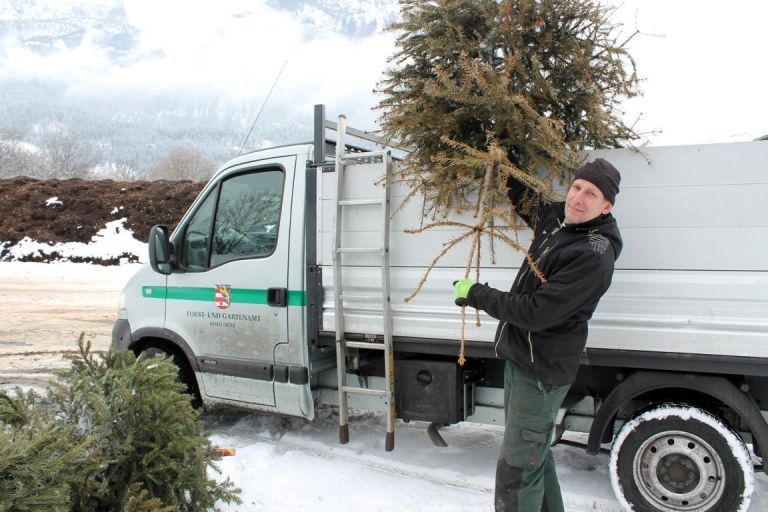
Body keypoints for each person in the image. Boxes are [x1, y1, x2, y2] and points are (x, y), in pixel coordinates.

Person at [453, 158, 623, 512]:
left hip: (540, 373)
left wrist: (476, 294)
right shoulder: (560, 222)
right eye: (576, 187)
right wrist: (502, 156)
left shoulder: (593, 253)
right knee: (535, 458)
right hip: (522, 361)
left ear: (606, 206)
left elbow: (536, 313)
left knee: (517, 470)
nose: (577, 197)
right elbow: (524, 198)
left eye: (590, 194)